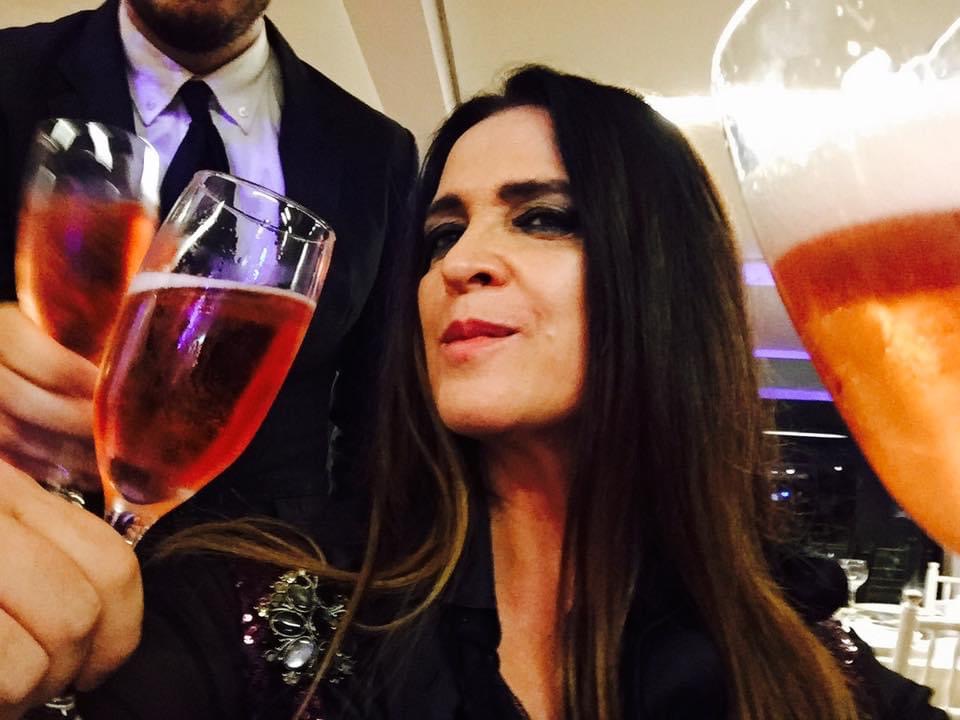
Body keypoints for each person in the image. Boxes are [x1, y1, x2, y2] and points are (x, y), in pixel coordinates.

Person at [0, 66, 947, 720]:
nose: (460, 264)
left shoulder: (814, 672)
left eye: (543, 218)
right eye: (441, 236)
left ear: (667, 280)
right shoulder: (250, 605)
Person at [0, 0, 417, 526]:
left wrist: (345, 560)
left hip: (269, 557)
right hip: (27, 535)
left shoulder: (378, 152)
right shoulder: (10, 74)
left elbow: (377, 407)